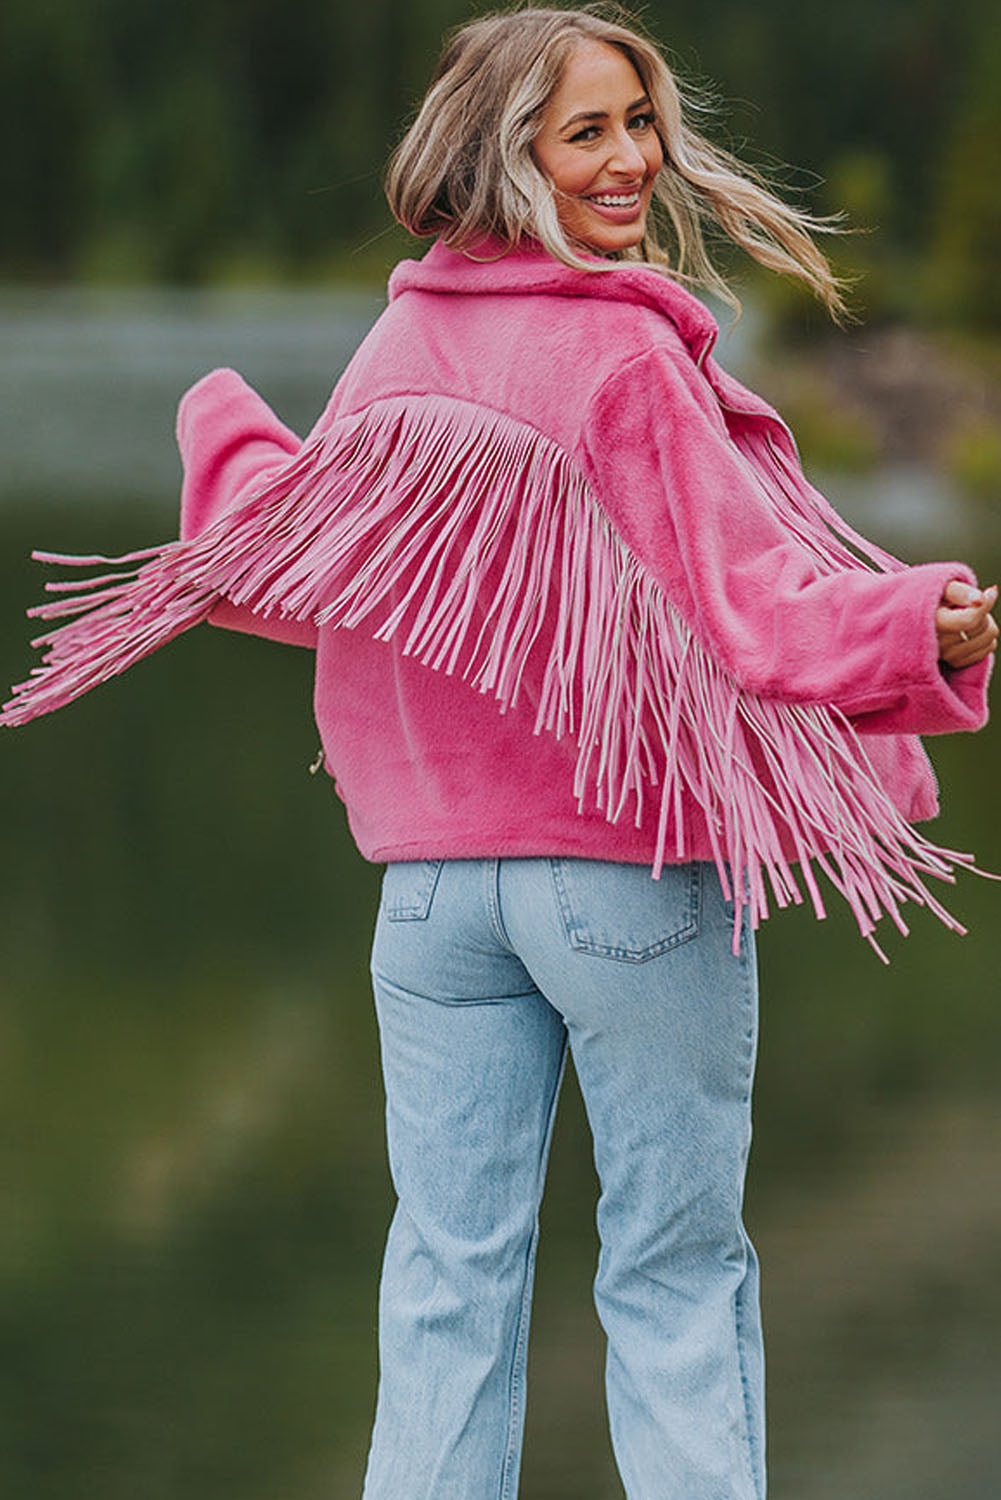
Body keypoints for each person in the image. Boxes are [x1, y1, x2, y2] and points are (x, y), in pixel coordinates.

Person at [3, 5, 997, 1496]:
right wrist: (921, 623)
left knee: (446, 1283)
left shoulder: (401, 341)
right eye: (584, 130)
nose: (629, 161)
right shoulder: (621, 359)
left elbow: (314, 568)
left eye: (638, 122)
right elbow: (750, 611)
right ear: (504, 151)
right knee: (672, 1273)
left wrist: (231, 451)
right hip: (622, 881)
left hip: (431, 899)